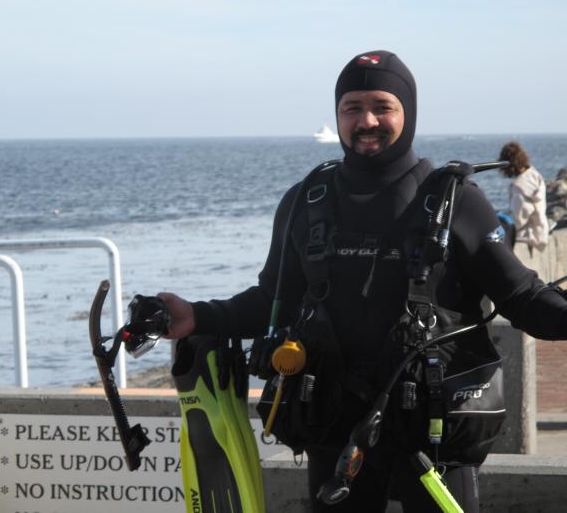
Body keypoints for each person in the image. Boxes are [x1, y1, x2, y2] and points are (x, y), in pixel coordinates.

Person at [159, 50, 567, 512]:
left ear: (406, 113)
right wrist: (200, 315)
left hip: (430, 437)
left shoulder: (456, 202)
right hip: (334, 426)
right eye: (352, 107)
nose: (366, 120)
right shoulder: (306, 201)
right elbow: (274, 299)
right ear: (337, 115)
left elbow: (523, 296)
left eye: (381, 106)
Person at [498, 141, 550, 253]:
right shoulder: (534, 175)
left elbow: (519, 218)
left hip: (528, 236)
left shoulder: (518, 186)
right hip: (541, 232)